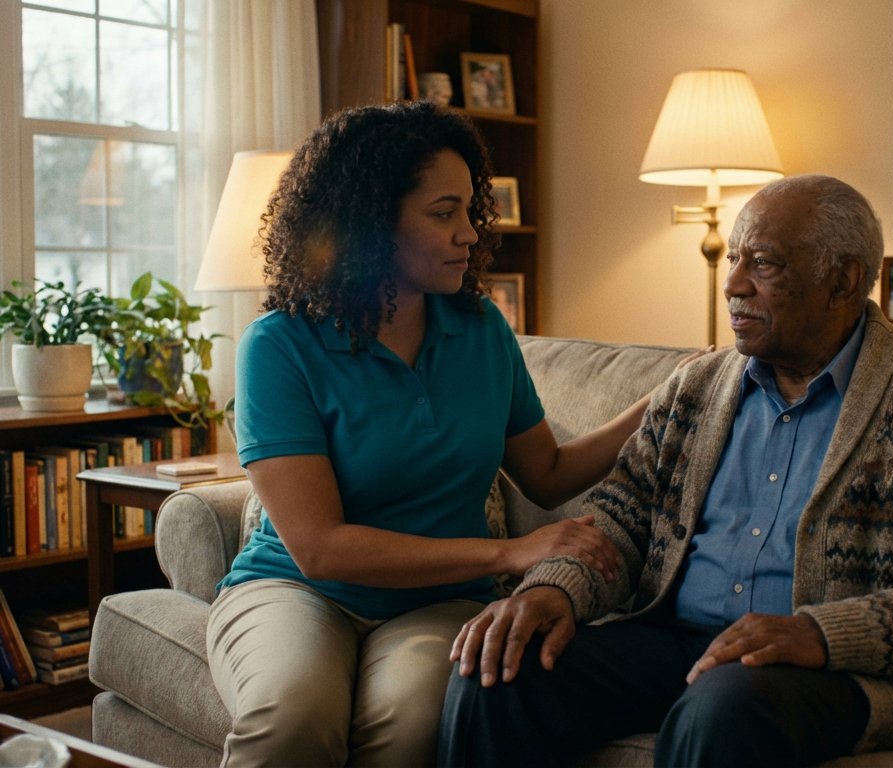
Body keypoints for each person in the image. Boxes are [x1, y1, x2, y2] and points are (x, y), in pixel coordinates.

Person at [439, 175, 893, 768]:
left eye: (763, 264)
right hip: (676, 640)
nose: (734, 284)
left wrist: (822, 634)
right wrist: (551, 589)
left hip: (834, 665)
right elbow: (620, 518)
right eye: (735, 258)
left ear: (842, 280)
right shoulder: (697, 386)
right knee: (499, 669)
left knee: (723, 705)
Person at [208, 100, 705, 768]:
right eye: (443, 214)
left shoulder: (480, 329)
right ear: (369, 224)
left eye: (470, 210)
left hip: (437, 604)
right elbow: (321, 549)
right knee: (293, 717)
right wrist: (508, 554)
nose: (469, 232)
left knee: (411, 724)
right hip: (296, 590)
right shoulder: (280, 346)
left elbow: (548, 472)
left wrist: (663, 399)